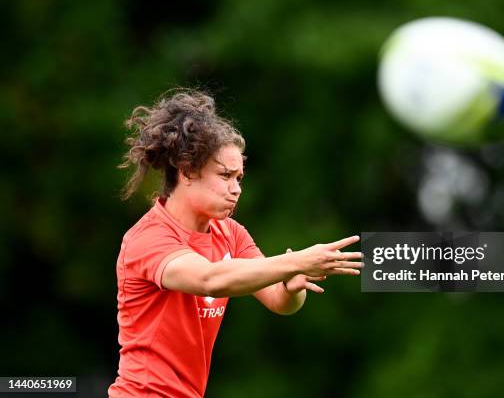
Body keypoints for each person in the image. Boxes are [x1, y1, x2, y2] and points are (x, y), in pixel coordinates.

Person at [108, 89, 363, 398]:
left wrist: (292, 284)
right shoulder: (149, 238)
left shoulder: (230, 232)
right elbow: (210, 279)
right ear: (188, 171)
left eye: (239, 178)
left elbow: (278, 301)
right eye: (225, 176)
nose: (236, 189)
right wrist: (296, 262)